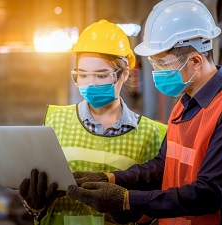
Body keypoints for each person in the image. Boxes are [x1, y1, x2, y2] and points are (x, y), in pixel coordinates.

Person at [67, 1, 222, 225]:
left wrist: (127, 200)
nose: (156, 72)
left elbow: (209, 194)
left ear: (195, 61)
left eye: (162, 64)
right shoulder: (184, 104)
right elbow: (163, 165)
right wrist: (112, 179)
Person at [18, 19, 167, 225]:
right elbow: (40, 196)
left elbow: (157, 207)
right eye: (83, 75)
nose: (90, 83)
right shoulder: (55, 121)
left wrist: (129, 211)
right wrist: (34, 205)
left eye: (100, 75)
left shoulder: (153, 134)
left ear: (124, 74)